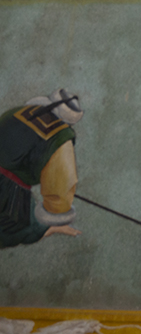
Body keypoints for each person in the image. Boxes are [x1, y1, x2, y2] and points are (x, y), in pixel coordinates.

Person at [1, 89, 83, 248]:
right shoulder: (60, 138)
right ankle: (47, 229)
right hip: (9, 193)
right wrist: (57, 211)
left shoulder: (16, 112)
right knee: (21, 227)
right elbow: (61, 186)